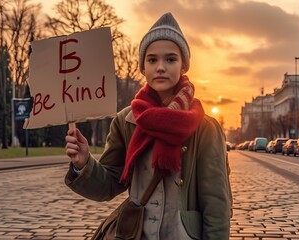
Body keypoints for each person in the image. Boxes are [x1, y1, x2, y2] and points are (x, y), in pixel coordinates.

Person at [65, 12, 232, 239]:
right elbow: (110, 184)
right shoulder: (126, 121)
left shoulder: (204, 128)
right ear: (143, 67)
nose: (160, 67)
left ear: (183, 65)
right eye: (152, 60)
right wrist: (83, 163)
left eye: (170, 59)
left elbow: (216, 202)